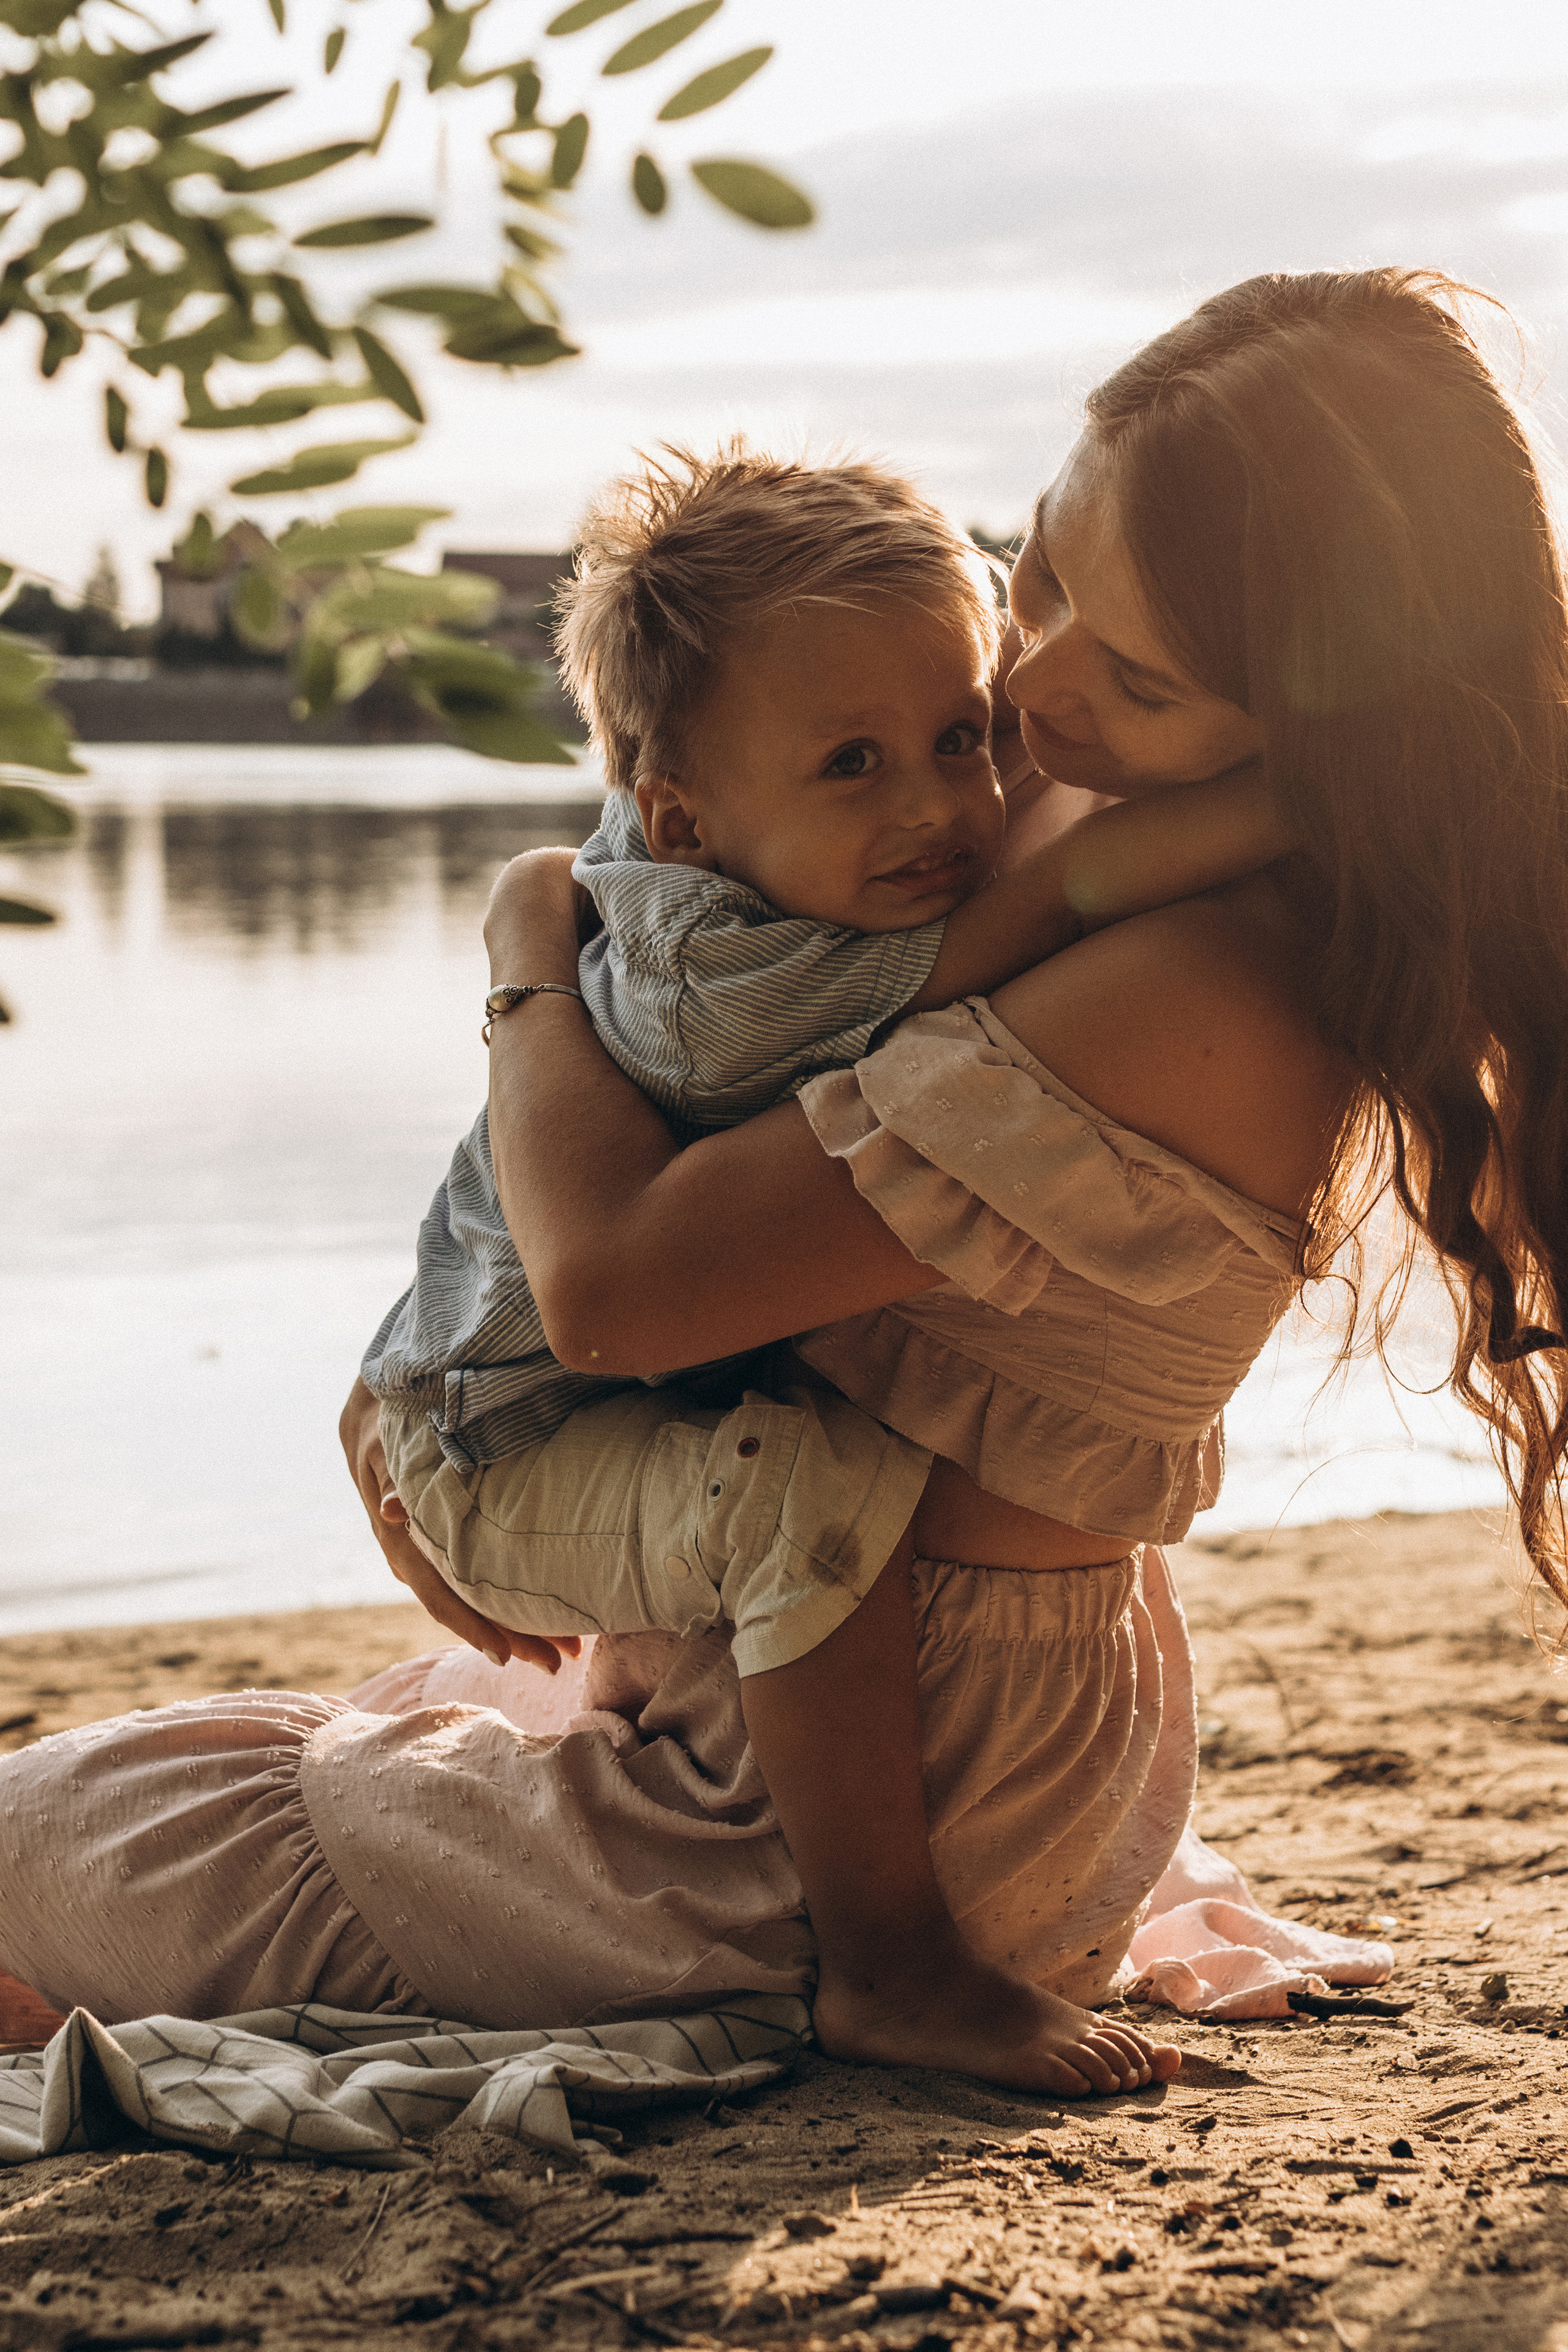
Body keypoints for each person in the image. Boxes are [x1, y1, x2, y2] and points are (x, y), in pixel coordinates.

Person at [5, 266, 1563, 2100]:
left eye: (1132, 674)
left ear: (1327, 717)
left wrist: (521, 948)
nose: (1033, 695)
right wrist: (419, 1373)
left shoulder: (1197, 972)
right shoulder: (1074, 804)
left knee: (48, 1836)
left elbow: (616, 1287)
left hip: (856, 1810)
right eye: (1037, 578)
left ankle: (878, 1979)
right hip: (823, 1690)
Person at [359, 447, 1291, 2096]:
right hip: (501, 1436)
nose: (940, 808)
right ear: (685, 817)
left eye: (959, 733)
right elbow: (1069, 886)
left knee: (791, 1485)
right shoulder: (759, 986)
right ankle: (889, 1963)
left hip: (487, 1389)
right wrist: (1323, 798)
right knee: (804, 1493)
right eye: (854, 763)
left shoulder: (705, 839)